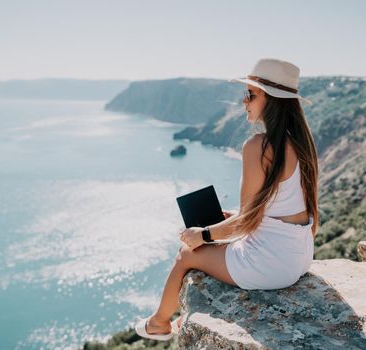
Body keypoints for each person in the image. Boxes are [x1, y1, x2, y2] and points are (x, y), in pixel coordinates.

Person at [134, 58, 319, 341]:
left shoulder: (258, 146)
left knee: (186, 254)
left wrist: (204, 235)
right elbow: (282, 211)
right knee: (215, 240)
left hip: (271, 265)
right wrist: (231, 217)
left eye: (250, 94)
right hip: (300, 256)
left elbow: (246, 223)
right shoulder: (301, 144)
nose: (243, 101)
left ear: (270, 99)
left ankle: (159, 323)